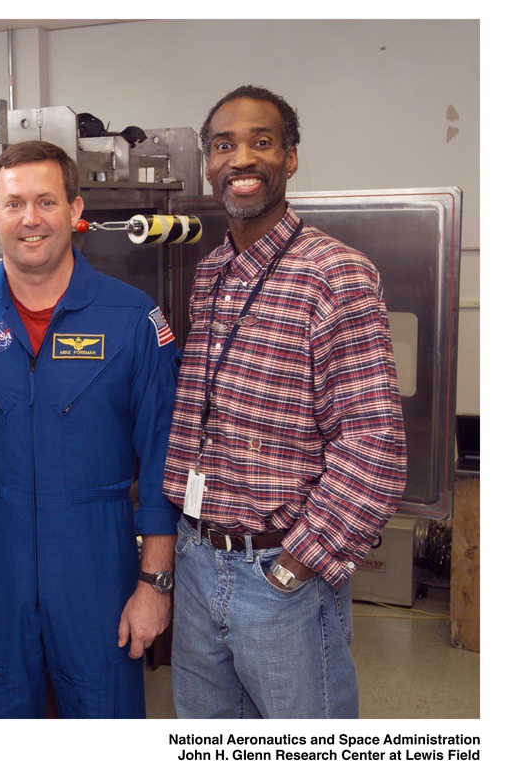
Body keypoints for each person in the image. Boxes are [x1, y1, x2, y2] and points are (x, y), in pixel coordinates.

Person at [163, 86, 407, 719]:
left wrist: (295, 568)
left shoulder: (335, 273)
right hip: (197, 560)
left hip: (278, 574)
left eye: (261, 142)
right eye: (224, 145)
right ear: (207, 163)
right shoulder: (213, 272)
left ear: (290, 158)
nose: (240, 159)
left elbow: (372, 442)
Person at [0, 140, 180, 718]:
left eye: (46, 201)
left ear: (75, 210)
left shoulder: (132, 318)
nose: (30, 218)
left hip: (99, 562)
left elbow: (165, 455)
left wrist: (155, 584)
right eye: (14, 203)